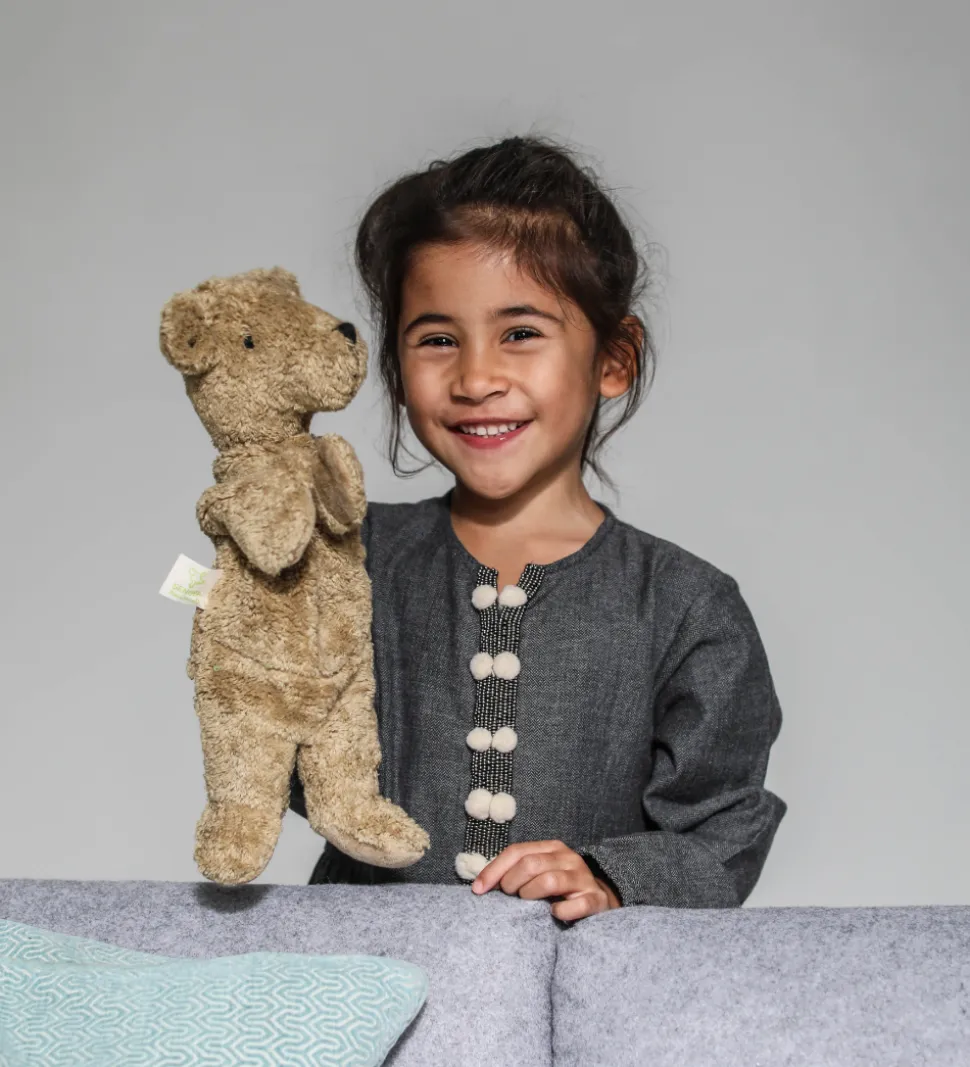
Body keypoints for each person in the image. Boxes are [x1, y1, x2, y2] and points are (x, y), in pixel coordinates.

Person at [289, 134, 787, 921]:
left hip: (581, 982)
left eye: (520, 332)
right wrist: (245, 602)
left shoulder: (687, 607)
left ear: (614, 358)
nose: (476, 378)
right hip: (358, 969)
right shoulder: (350, 557)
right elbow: (285, 750)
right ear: (396, 369)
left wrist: (612, 874)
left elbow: (722, 827)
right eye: (437, 339)